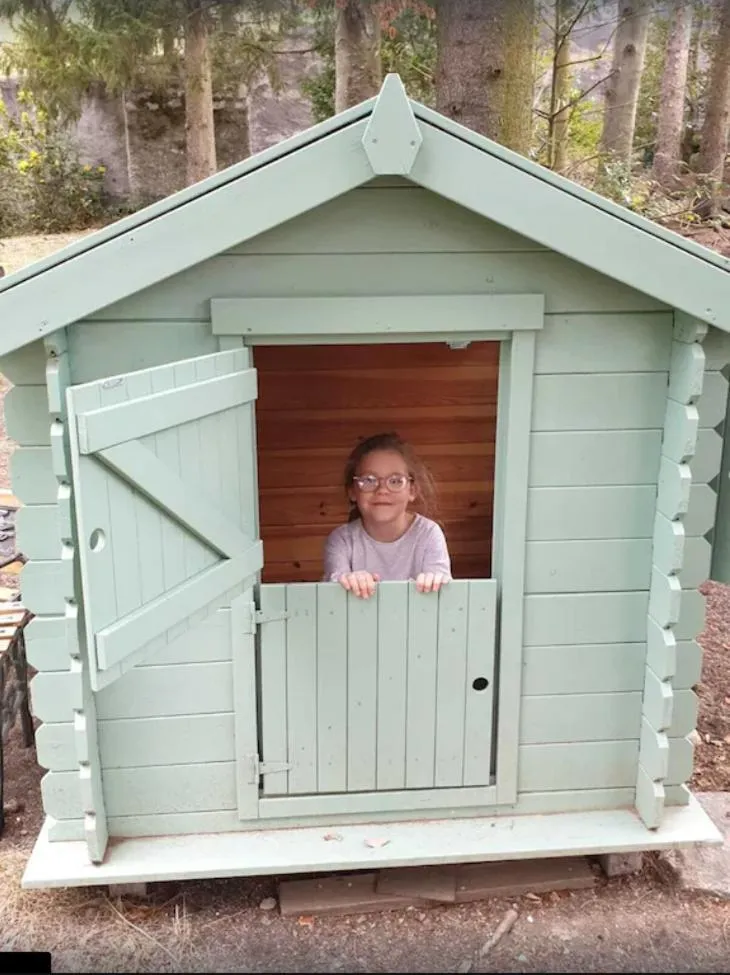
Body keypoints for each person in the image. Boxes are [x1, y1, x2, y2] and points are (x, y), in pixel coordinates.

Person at [323, 432, 452, 599]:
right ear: (353, 491)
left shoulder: (428, 534)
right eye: (369, 480)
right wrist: (347, 582)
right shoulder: (341, 540)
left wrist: (434, 582)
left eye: (395, 481)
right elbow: (333, 599)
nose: (382, 490)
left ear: (412, 490)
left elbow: (445, 597)